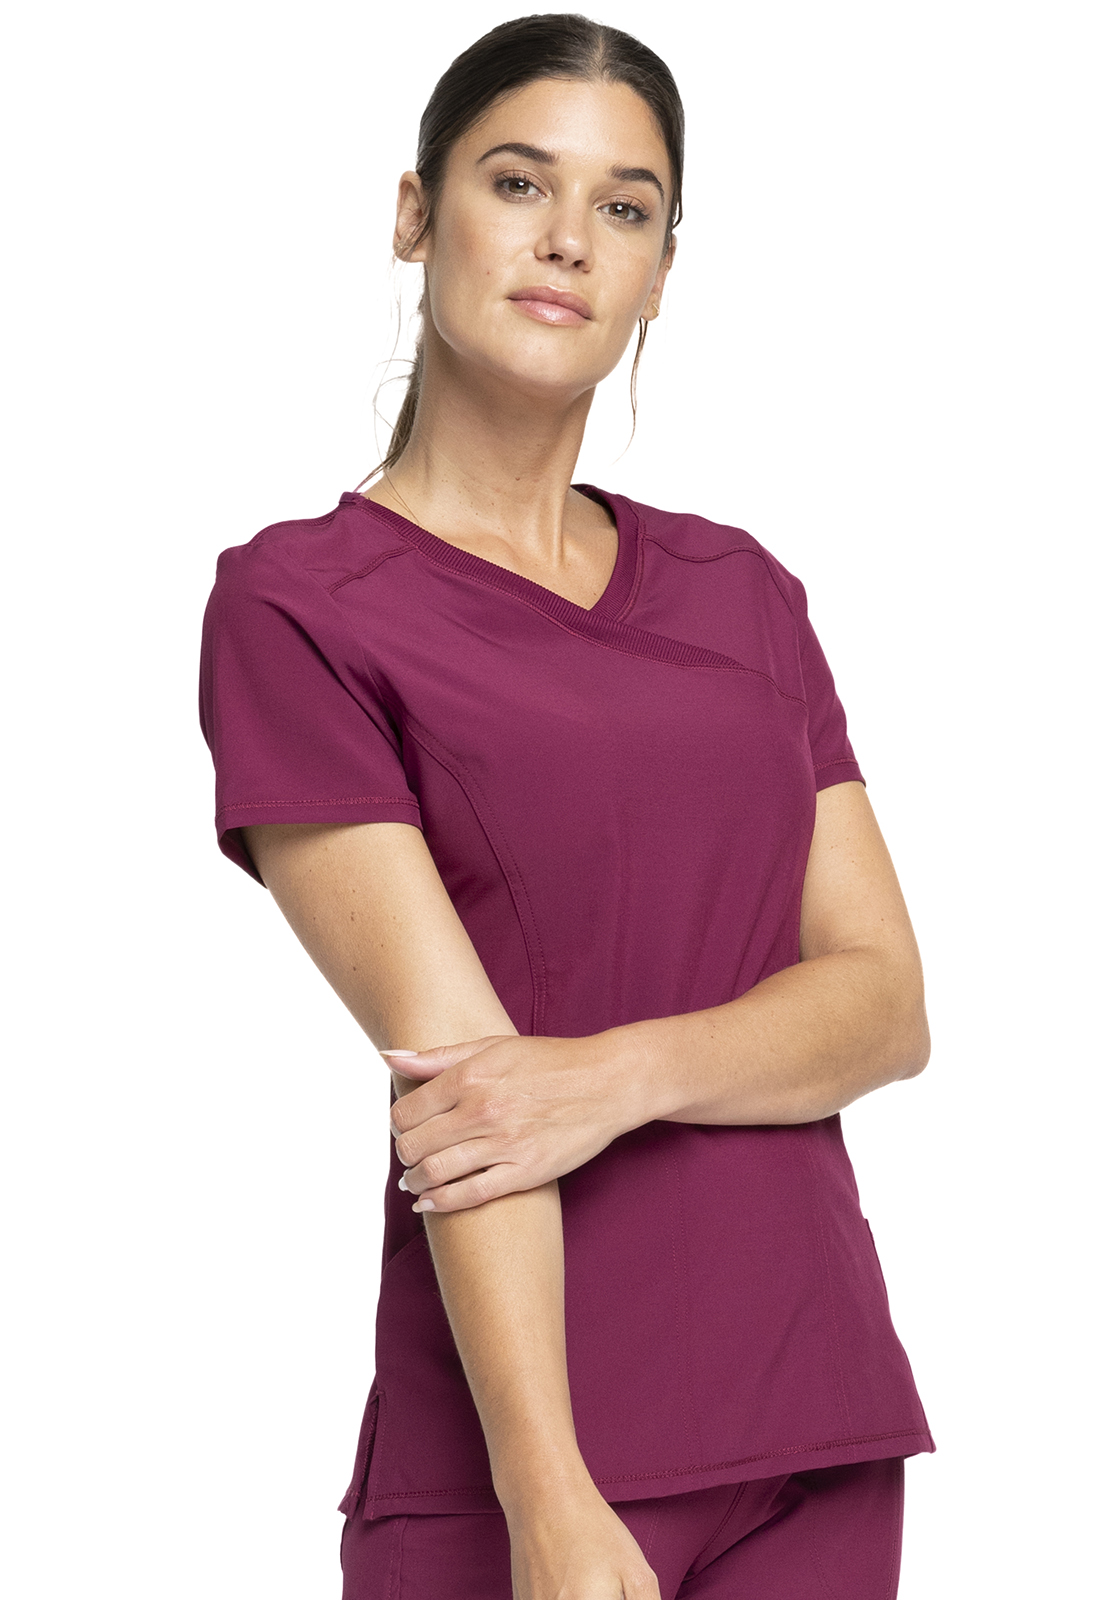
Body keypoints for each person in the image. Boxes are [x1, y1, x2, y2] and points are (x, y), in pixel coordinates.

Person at [199, 14, 934, 1598]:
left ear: (663, 269)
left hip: (812, 1416)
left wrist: (610, 1076)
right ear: (417, 214)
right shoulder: (302, 606)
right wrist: (546, 1492)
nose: (568, 240)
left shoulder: (745, 594)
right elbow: (464, 1091)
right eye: (518, 181)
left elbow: (885, 1006)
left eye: (625, 206)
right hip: (529, 1464)